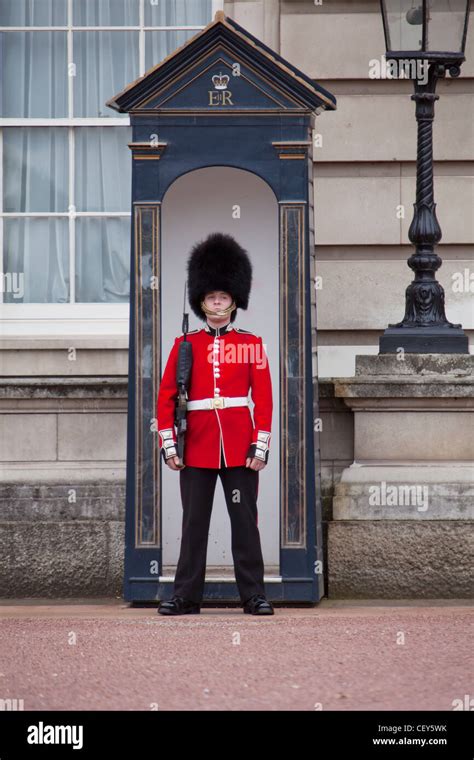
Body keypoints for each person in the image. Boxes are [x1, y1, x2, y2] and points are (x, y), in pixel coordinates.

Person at [156, 232, 274, 616]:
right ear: (201, 301)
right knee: (194, 525)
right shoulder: (184, 344)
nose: (217, 302)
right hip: (197, 446)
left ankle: (253, 595)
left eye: (223, 296)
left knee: (244, 523)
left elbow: (265, 399)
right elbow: (166, 396)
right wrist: (170, 444)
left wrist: (260, 444)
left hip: (239, 445)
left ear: (234, 300)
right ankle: (186, 596)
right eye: (211, 297)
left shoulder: (252, 343)